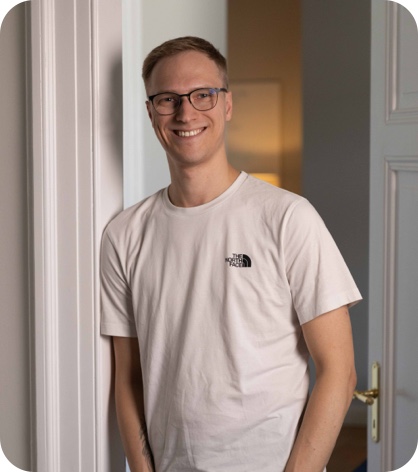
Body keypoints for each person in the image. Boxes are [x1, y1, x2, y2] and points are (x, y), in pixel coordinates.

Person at [100, 36, 361, 472]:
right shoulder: (123, 235)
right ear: (150, 112)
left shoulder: (287, 217)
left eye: (203, 94)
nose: (186, 113)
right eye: (168, 99)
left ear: (227, 104)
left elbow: (339, 371)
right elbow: (128, 379)